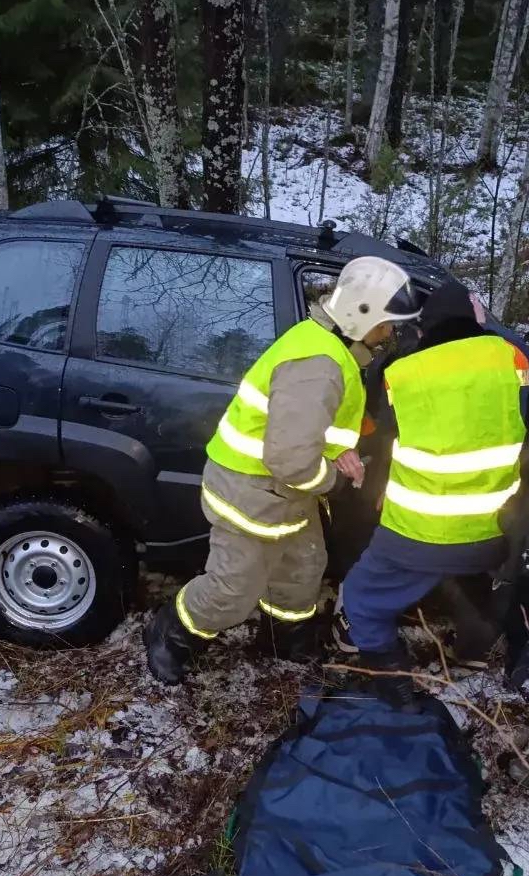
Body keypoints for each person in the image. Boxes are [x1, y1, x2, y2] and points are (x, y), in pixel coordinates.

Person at [144, 256, 422, 685]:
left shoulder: (329, 347)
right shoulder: (320, 366)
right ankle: (171, 634)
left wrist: (339, 452)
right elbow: (290, 457)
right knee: (233, 591)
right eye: (386, 324)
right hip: (250, 491)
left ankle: (283, 637)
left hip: (285, 491)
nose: (389, 334)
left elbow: (311, 431)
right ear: (360, 316)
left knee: (303, 568)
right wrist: (334, 482)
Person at [336, 278, 529, 684]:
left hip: (419, 531)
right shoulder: (511, 358)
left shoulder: (402, 373)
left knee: (360, 595)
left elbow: (378, 436)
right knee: (473, 578)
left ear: (424, 330)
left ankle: (383, 662)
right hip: (493, 531)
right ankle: (473, 650)